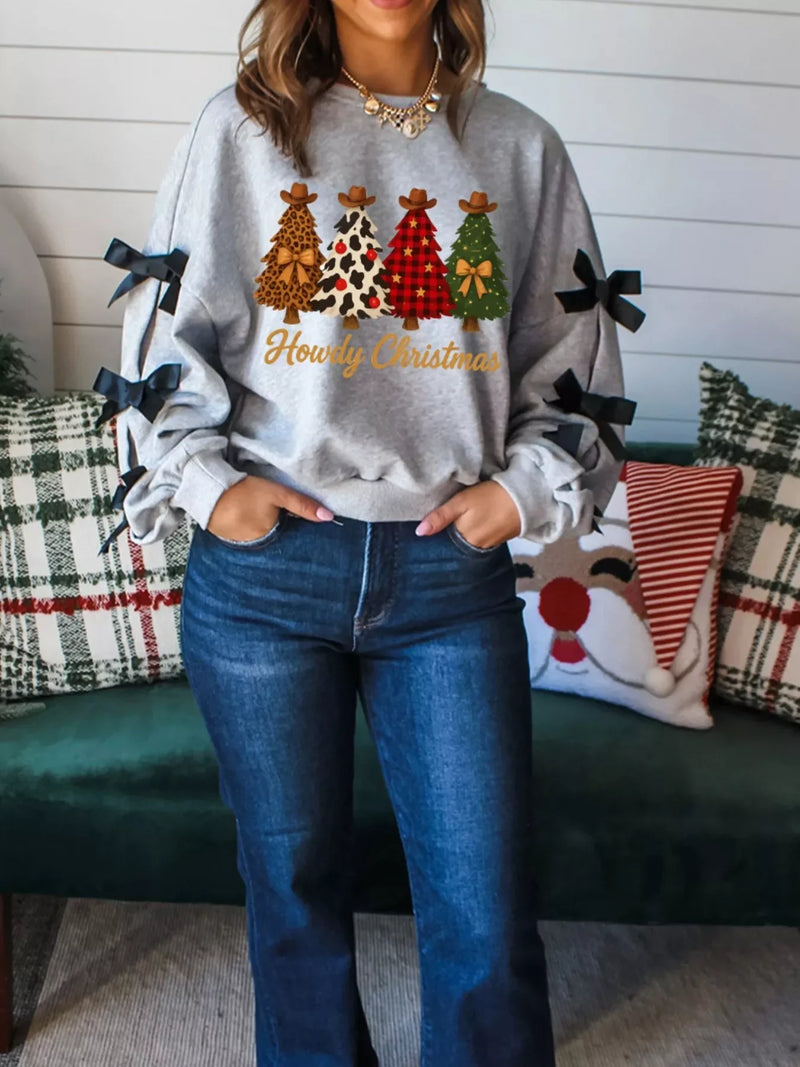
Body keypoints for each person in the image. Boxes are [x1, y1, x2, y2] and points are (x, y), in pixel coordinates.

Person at [101, 1, 626, 1064]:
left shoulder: (518, 145)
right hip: (264, 580)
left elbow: (570, 356)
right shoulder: (240, 130)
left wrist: (522, 489)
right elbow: (166, 335)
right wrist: (207, 485)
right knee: (290, 892)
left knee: (481, 904)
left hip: (446, 577)